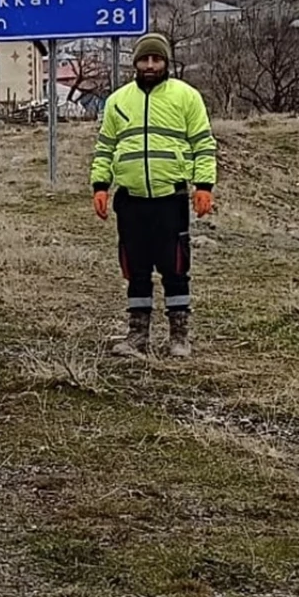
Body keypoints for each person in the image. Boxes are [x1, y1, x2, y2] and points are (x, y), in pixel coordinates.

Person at [90, 32, 218, 359]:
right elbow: (105, 148)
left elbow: (203, 145)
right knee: (135, 269)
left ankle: (179, 337)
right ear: (135, 62)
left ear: (166, 62)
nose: (150, 65)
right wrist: (100, 186)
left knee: (175, 269)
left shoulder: (186, 97)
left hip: (169, 199)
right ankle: (137, 336)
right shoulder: (118, 100)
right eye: (144, 59)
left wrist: (204, 186)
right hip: (131, 201)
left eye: (156, 59)